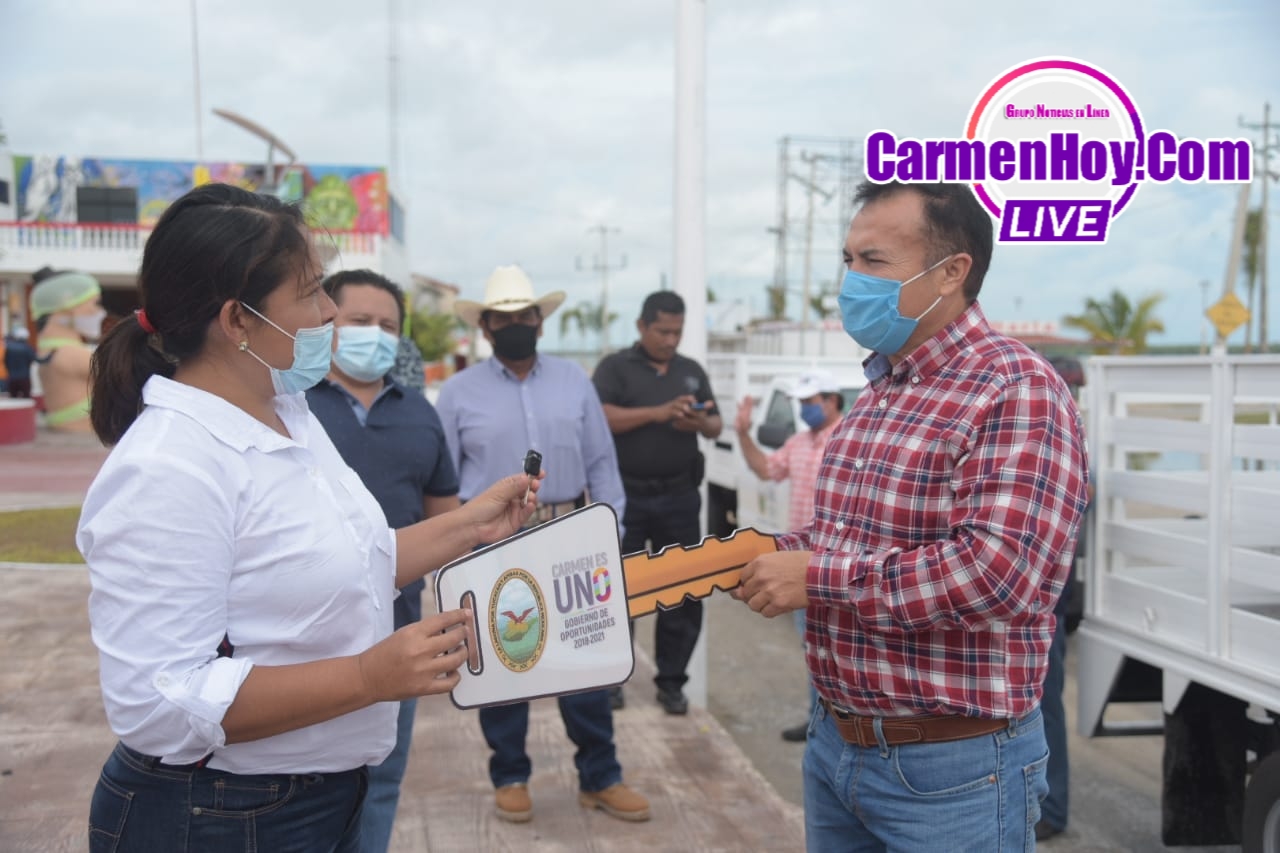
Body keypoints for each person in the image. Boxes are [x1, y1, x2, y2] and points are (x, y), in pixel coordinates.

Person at [77, 183, 540, 853]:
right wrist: (368, 676)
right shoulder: (168, 466)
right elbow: (161, 704)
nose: (330, 311)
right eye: (312, 292)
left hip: (322, 797)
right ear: (237, 321)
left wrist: (471, 525)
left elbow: (358, 559)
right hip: (218, 815)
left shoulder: (288, 413)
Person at [733, 180, 1090, 852]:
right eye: (848, 260)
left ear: (952, 272)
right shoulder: (878, 391)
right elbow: (845, 537)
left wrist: (816, 577)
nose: (851, 282)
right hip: (838, 747)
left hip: (954, 772)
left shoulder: (1015, 388)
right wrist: (768, 554)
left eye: (874, 261)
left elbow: (998, 574)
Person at [436, 264, 650, 824]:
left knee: (585, 658)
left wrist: (609, 536)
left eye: (524, 316)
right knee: (505, 659)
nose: (515, 325)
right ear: (485, 326)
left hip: (569, 536)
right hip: (490, 544)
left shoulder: (575, 381)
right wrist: (453, 552)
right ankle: (510, 774)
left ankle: (601, 776)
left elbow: (602, 463)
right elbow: (443, 482)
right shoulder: (457, 393)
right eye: (502, 318)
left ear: (540, 321)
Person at [305, 269, 461, 853]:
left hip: (399, 631)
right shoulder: (289, 405)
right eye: (360, 321)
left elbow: (447, 520)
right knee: (303, 786)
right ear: (327, 323)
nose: (375, 334)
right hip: (305, 635)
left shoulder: (421, 412)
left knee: (381, 779)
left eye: (388, 326)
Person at [592, 290, 722, 715]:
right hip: (626, 498)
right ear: (642, 326)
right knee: (618, 591)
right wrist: (657, 412)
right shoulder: (615, 368)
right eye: (663, 331)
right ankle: (612, 681)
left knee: (683, 591)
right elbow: (599, 417)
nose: (670, 340)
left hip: (680, 497)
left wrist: (698, 420)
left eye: (677, 332)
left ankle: (671, 682)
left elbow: (715, 423)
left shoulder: (690, 370)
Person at [734, 370, 844, 742]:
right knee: (813, 645)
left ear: (832, 400)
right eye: (801, 403)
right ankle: (819, 722)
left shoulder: (849, 437)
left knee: (839, 646)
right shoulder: (798, 443)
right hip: (801, 559)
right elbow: (765, 469)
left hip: (837, 562)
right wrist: (743, 434)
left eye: (809, 402)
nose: (804, 409)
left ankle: (833, 725)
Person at [1035, 354, 1091, 843]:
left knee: (1044, 703)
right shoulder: (1051, 436)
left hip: (1050, 601)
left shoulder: (1068, 442)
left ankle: (1051, 808)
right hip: (1047, 597)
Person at [30, 268, 103, 431]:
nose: (99, 312)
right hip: (83, 435)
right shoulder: (72, 355)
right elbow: (129, 378)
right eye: (94, 303)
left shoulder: (48, 350)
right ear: (68, 304)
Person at [3, 326, 36, 398]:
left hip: (12, 378)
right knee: (26, 399)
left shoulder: (9, 347)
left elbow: (5, 361)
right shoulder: (28, 348)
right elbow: (33, 359)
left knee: (13, 400)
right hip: (24, 378)